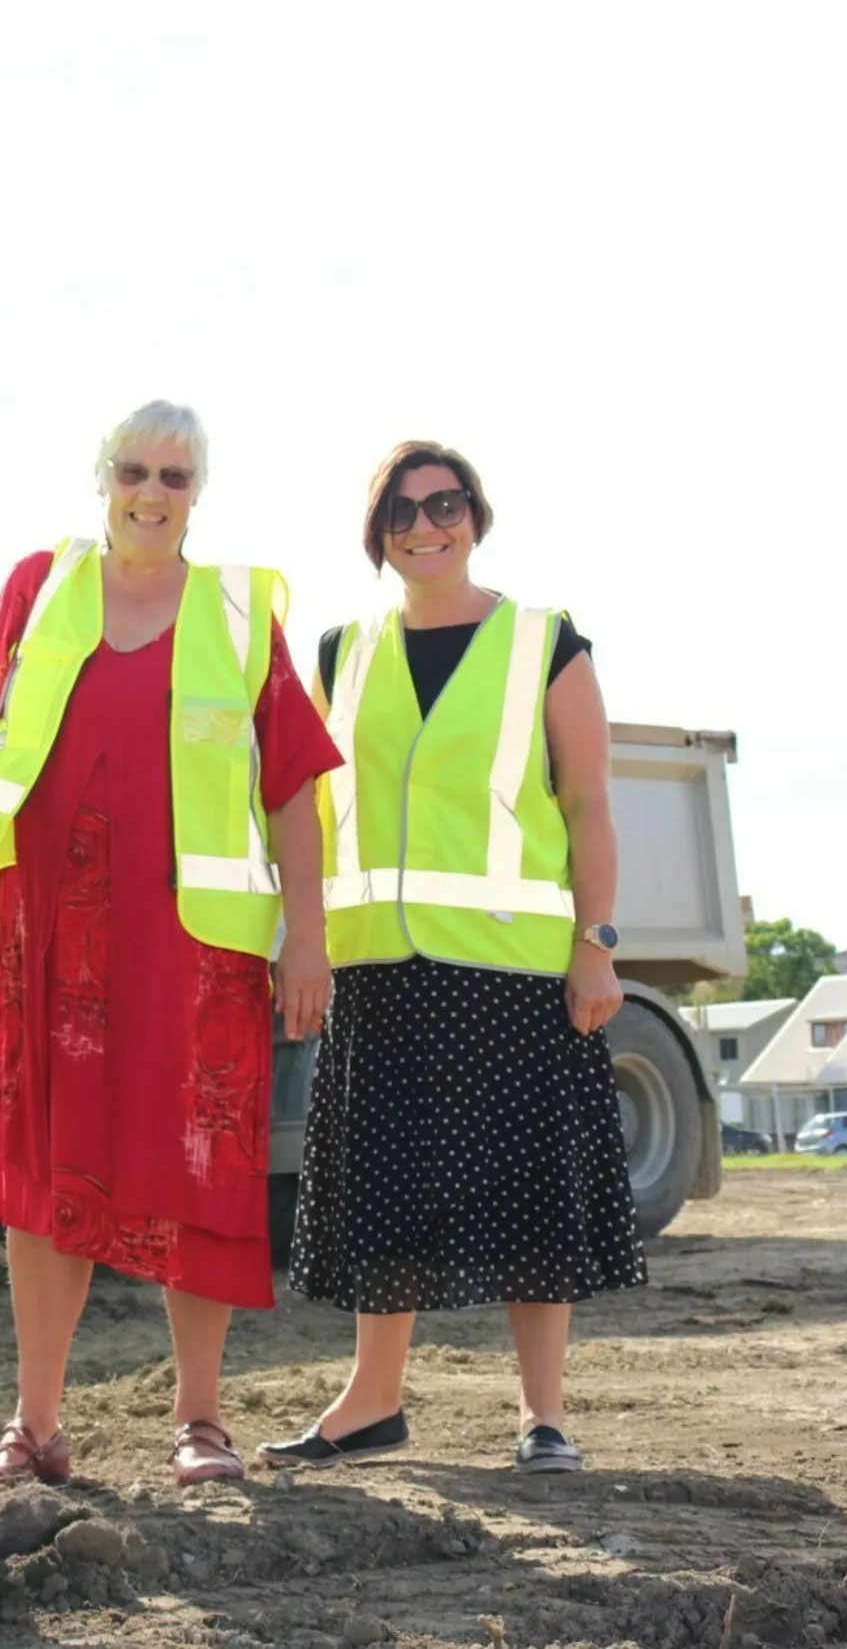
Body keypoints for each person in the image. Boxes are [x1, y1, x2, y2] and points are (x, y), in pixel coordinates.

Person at [0, 401, 342, 1490]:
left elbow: (291, 781)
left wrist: (309, 938)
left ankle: (199, 1418)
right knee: (40, 1166)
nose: (154, 491)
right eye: (137, 470)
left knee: (200, 1168)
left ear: (201, 490)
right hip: (49, 935)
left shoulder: (239, 614)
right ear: (102, 475)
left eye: (177, 475)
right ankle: (36, 1424)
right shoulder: (36, 585)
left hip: (197, 948)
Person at [260, 440, 643, 1477]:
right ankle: (371, 1402)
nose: (423, 524)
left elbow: (589, 804)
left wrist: (594, 945)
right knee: (385, 1195)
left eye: (444, 503)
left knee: (527, 1193)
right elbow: (297, 807)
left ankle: (541, 1413)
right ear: (376, 531)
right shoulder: (339, 651)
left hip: (515, 971)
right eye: (400, 510)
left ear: (475, 514)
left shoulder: (541, 641)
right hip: (377, 970)